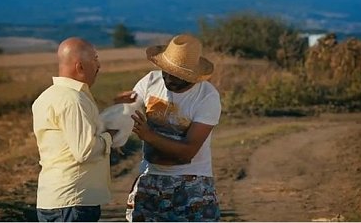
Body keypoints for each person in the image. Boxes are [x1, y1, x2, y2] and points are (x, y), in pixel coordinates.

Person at [32, 37, 134, 221]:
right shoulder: (74, 100)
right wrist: (110, 136)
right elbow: (84, 150)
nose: (99, 66)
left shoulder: (48, 96)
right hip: (73, 201)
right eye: (95, 59)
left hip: (56, 199)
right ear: (80, 67)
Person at [125, 34, 222, 221]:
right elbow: (129, 112)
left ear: (192, 76)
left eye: (176, 75)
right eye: (166, 71)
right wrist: (120, 113)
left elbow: (187, 151)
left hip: (191, 182)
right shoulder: (150, 82)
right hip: (150, 176)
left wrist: (149, 135)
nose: (168, 78)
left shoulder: (207, 97)